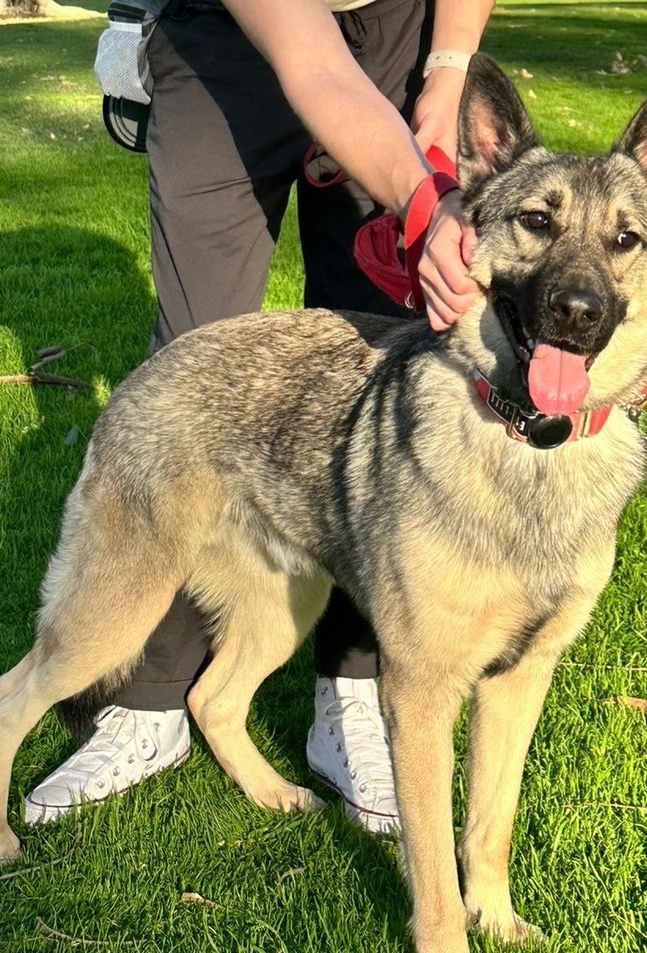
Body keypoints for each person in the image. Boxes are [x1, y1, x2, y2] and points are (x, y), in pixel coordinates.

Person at [25, 0, 490, 834]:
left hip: (392, 35)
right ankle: (150, 697)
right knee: (193, 365)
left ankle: (350, 692)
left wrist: (448, 72)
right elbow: (312, 64)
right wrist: (424, 206)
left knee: (374, 365)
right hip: (223, 43)